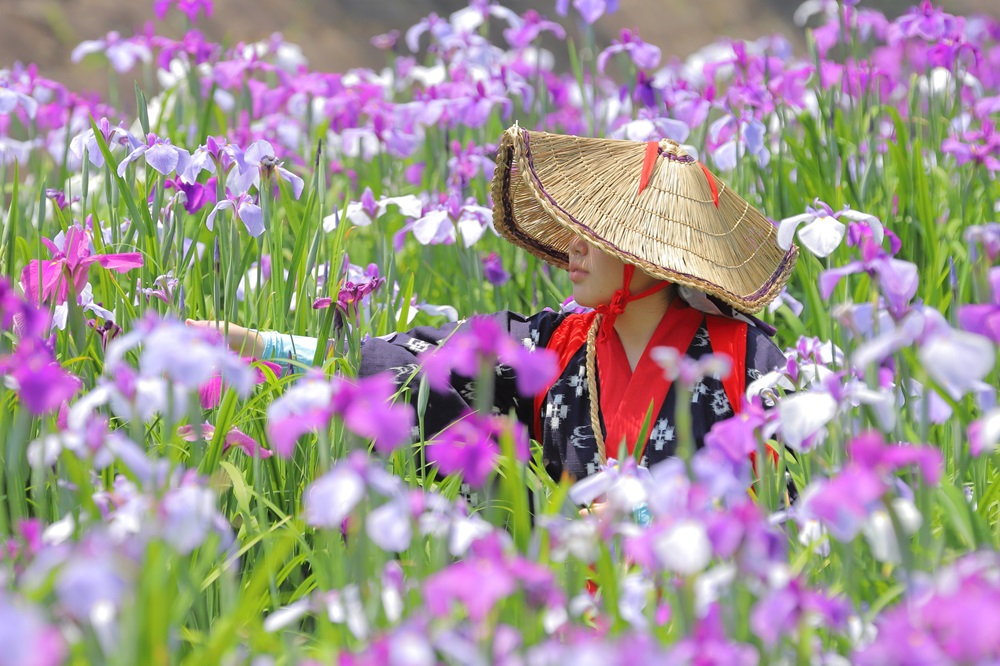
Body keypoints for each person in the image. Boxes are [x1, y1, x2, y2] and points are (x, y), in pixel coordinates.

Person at [189, 125, 798, 483]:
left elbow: (784, 497)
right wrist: (256, 344)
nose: (572, 249)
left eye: (595, 236)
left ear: (644, 254)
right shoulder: (556, 343)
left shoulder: (744, 355)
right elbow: (415, 365)